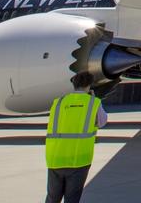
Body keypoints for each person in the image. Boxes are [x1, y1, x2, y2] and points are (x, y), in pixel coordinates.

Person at [46, 72, 106, 203]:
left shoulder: (59, 102)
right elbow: (101, 122)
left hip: (55, 158)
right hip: (79, 160)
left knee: (52, 198)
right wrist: (94, 100)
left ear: (74, 85)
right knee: (72, 199)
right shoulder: (93, 102)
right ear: (89, 86)